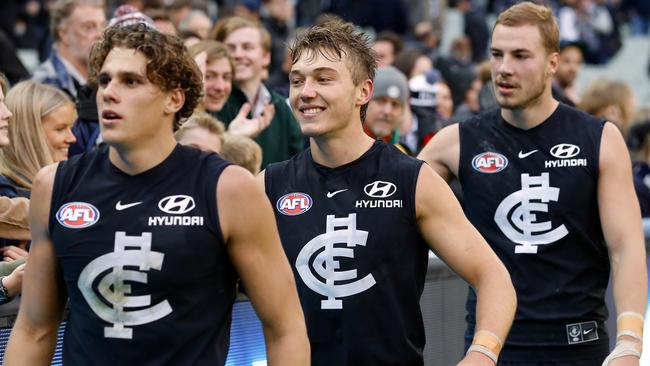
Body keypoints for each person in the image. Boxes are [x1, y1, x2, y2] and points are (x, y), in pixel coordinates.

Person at [5, 23, 309, 365]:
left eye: (131, 81)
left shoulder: (229, 188)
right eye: (105, 80)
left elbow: (285, 328)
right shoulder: (54, 185)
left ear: (174, 98)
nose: (109, 92)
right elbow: (34, 328)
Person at [260, 18, 516, 365]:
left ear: (363, 92)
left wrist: (482, 354)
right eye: (296, 80)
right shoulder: (267, 185)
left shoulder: (412, 180)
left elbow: (494, 277)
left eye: (323, 79)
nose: (305, 92)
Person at [418, 3, 647, 365]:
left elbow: (626, 247)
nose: (504, 68)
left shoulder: (599, 139)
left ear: (552, 62)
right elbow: (389, 220)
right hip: (492, 350)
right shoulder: (455, 143)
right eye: (497, 54)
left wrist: (631, 342)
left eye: (521, 55)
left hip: (578, 345)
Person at [211, 16, 303, 169]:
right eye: (230, 48)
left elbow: (297, 166)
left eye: (247, 47)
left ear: (266, 57)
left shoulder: (281, 108)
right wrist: (230, 139)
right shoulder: (213, 103)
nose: (238, 55)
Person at [0, 81, 77, 198]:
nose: (72, 138)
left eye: (71, 128)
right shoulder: (10, 198)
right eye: (60, 129)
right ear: (29, 132)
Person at [31, 0, 106, 99]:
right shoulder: (42, 87)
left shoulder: (106, 81)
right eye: (89, 27)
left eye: (103, 26)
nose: (100, 35)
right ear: (63, 34)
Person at [362, 66, 411, 154]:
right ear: (365, 102)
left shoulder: (403, 155)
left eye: (395, 104)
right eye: (381, 101)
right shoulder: (342, 148)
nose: (387, 111)